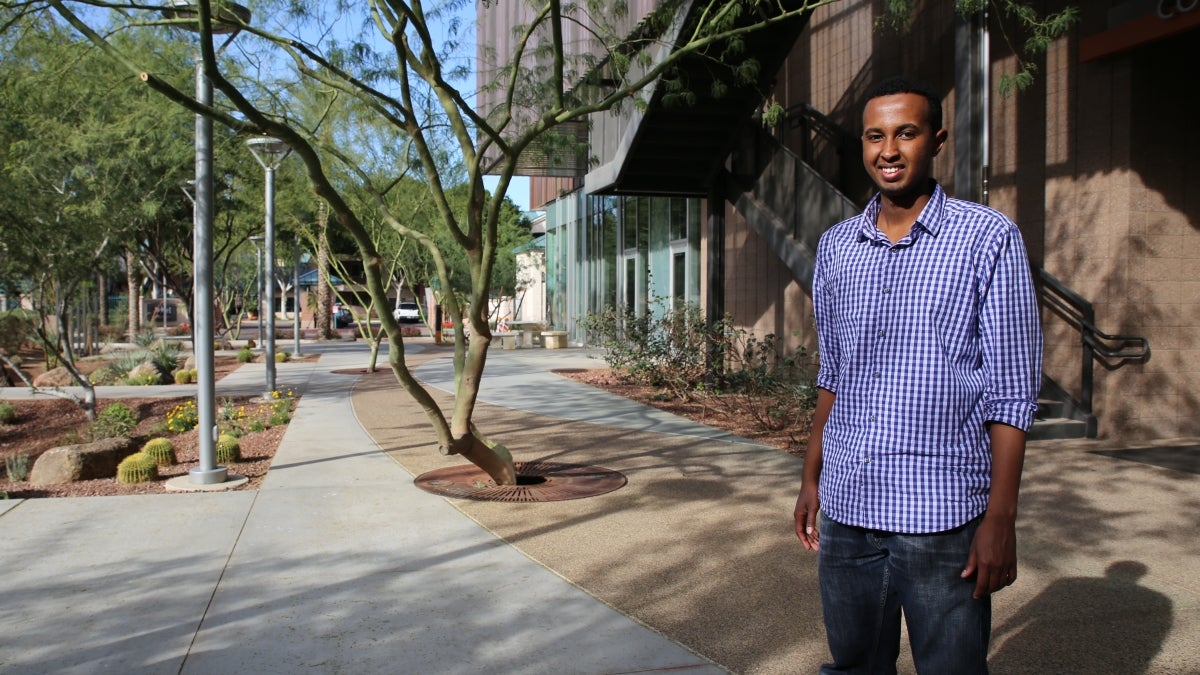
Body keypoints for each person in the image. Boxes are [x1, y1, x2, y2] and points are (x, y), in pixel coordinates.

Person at [793, 76, 1042, 674]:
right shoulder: (837, 247)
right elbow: (837, 371)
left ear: (936, 140)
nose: (889, 150)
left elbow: (1012, 390)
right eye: (875, 136)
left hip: (943, 514)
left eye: (906, 133)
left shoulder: (988, 239)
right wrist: (810, 477)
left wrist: (1000, 518)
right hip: (850, 506)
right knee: (854, 667)